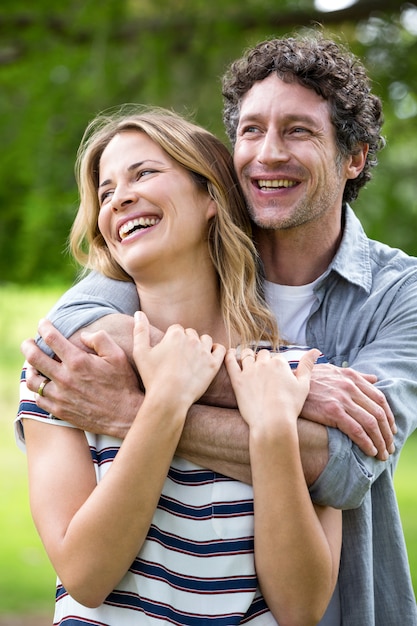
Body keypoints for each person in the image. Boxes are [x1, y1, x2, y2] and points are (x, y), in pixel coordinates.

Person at [20, 32, 417, 624]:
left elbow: (342, 463)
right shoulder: (161, 258)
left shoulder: (398, 294)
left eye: (299, 130)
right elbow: (71, 327)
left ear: (353, 157)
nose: (267, 154)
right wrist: (277, 394)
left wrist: (142, 408)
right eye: (251, 131)